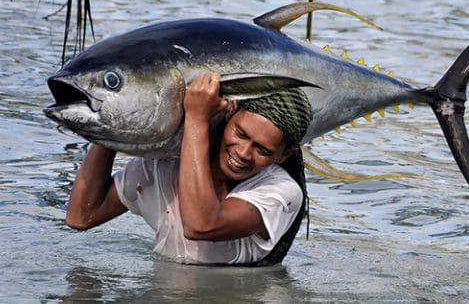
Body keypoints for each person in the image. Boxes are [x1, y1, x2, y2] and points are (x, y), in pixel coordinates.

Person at [64, 71, 313, 265]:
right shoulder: (161, 169)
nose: (243, 153)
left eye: (263, 150)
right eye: (241, 134)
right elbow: (81, 217)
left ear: (284, 155)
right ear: (230, 112)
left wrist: (196, 117)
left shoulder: (282, 192)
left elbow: (201, 225)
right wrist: (110, 124)